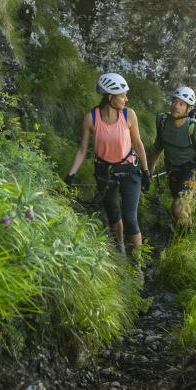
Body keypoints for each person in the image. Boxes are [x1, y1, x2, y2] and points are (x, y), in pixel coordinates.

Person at [65, 72, 150, 254]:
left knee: (129, 218)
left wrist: (146, 171)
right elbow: (82, 150)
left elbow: (137, 143)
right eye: (122, 95)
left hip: (129, 170)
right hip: (105, 172)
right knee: (113, 215)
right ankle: (120, 251)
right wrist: (71, 175)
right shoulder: (91, 118)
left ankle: (137, 265)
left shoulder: (129, 115)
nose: (126, 99)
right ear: (110, 97)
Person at [149, 86, 196, 226]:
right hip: (173, 170)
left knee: (177, 207)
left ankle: (183, 237)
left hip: (193, 170)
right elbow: (158, 146)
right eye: (175, 102)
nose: (176, 106)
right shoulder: (162, 120)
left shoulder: (195, 129)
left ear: (188, 109)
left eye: (181, 104)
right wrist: (150, 168)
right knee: (182, 206)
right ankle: (187, 232)